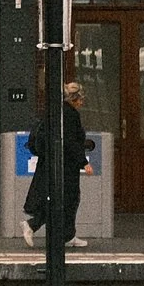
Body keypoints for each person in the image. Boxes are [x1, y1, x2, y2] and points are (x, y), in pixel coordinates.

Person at [21, 79, 90, 250]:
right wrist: (83, 162)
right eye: (80, 99)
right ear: (74, 99)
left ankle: (66, 234)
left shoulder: (56, 111)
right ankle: (33, 225)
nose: (82, 102)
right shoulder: (70, 114)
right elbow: (71, 141)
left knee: (60, 199)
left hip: (54, 162)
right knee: (67, 199)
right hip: (65, 165)